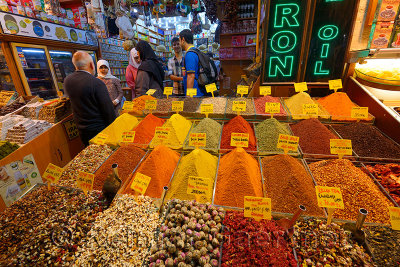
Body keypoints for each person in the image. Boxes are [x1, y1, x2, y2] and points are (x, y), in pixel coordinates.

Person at [64, 51, 116, 146]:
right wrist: (113, 130)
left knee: (91, 154)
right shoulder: (96, 83)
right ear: (92, 65)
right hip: (100, 130)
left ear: (75, 66)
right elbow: (108, 110)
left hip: (81, 129)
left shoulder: (68, 80)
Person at [179, 29, 204, 97]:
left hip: (194, 95)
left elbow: (191, 76)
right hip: (198, 93)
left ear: (183, 39)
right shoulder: (196, 51)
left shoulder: (190, 54)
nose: (179, 43)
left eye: (179, 40)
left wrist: (188, 96)